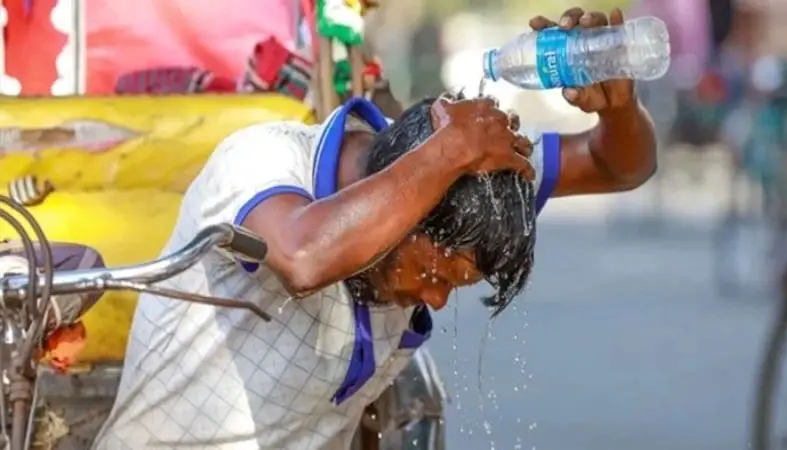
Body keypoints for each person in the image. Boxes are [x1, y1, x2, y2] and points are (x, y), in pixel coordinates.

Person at [92, 7, 657, 450]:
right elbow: (305, 257)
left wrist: (619, 110)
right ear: (409, 205)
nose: (435, 299)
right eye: (436, 273)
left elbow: (620, 165)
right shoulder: (261, 162)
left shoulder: (469, 180)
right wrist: (448, 152)